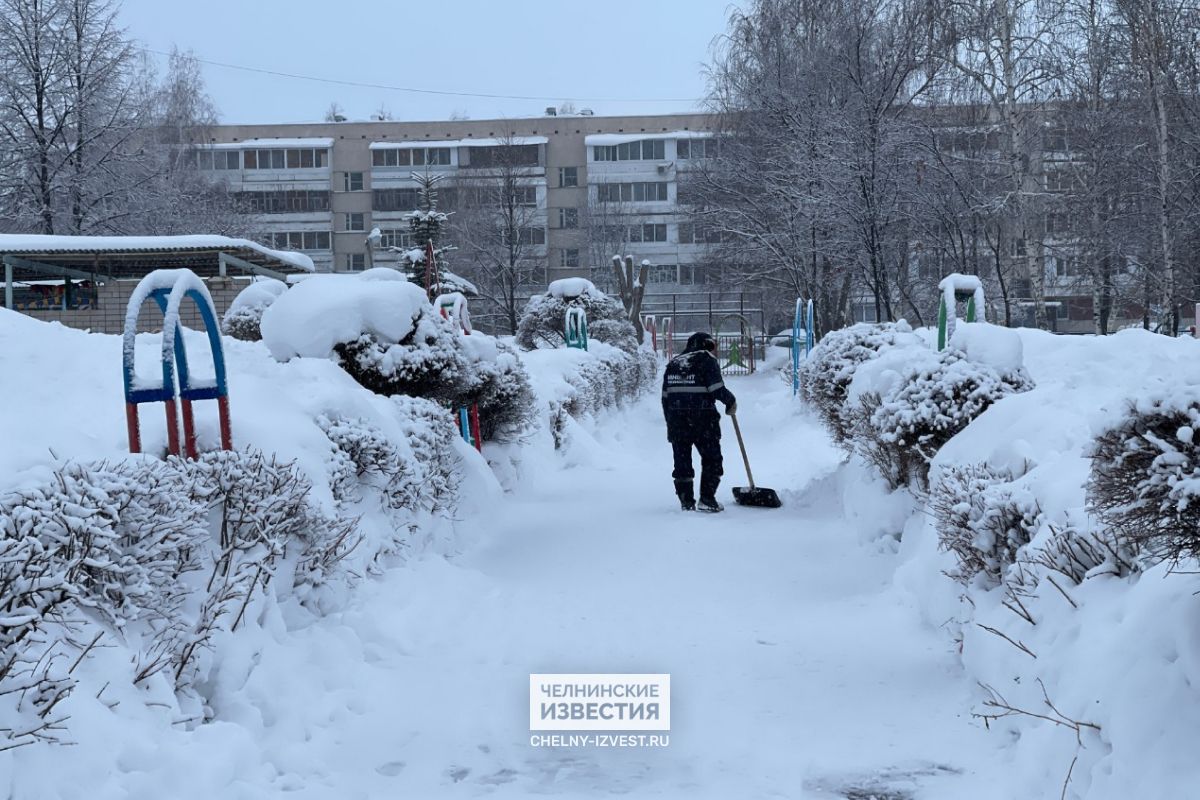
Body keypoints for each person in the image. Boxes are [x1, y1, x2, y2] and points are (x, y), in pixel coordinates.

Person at [661, 332, 737, 512]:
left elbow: (665, 397)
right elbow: (717, 389)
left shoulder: (673, 364)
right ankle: (707, 499)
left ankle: (686, 502)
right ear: (707, 344)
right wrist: (731, 401)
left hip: (677, 421)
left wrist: (670, 421)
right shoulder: (706, 360)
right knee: (712, 459)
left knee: (682, 462)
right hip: (704, 420)